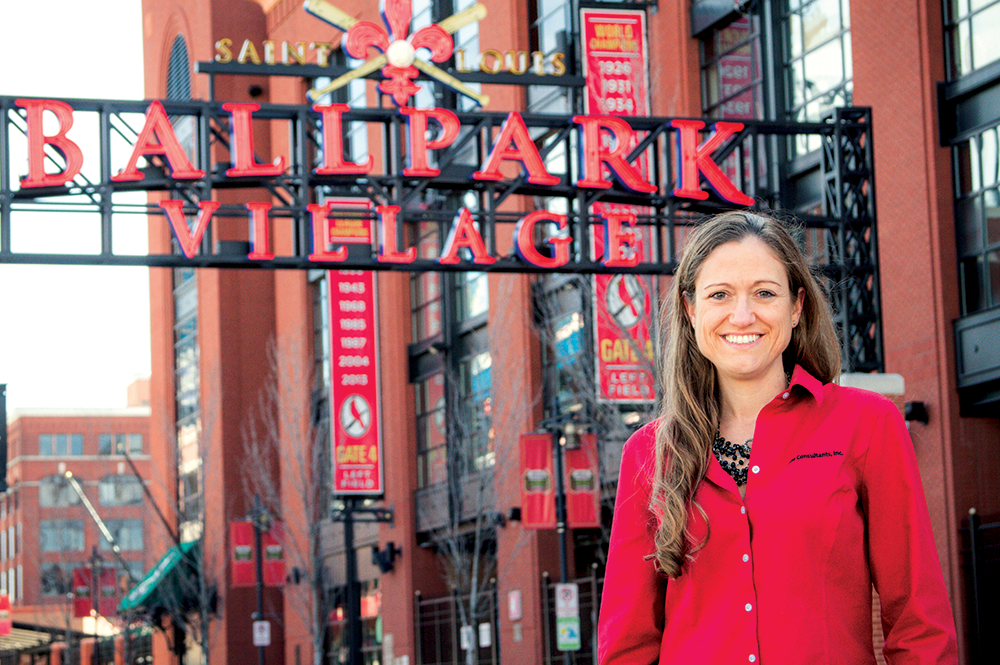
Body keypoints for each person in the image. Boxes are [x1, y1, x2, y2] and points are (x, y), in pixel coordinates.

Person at [598, 211, 958, 664]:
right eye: (720, 295)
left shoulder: (866, 425)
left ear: (796, 307)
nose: (743, 315)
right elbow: (627, 645)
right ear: (691, 311)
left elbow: (918, 620)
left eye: (765, 293)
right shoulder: (648, 455)